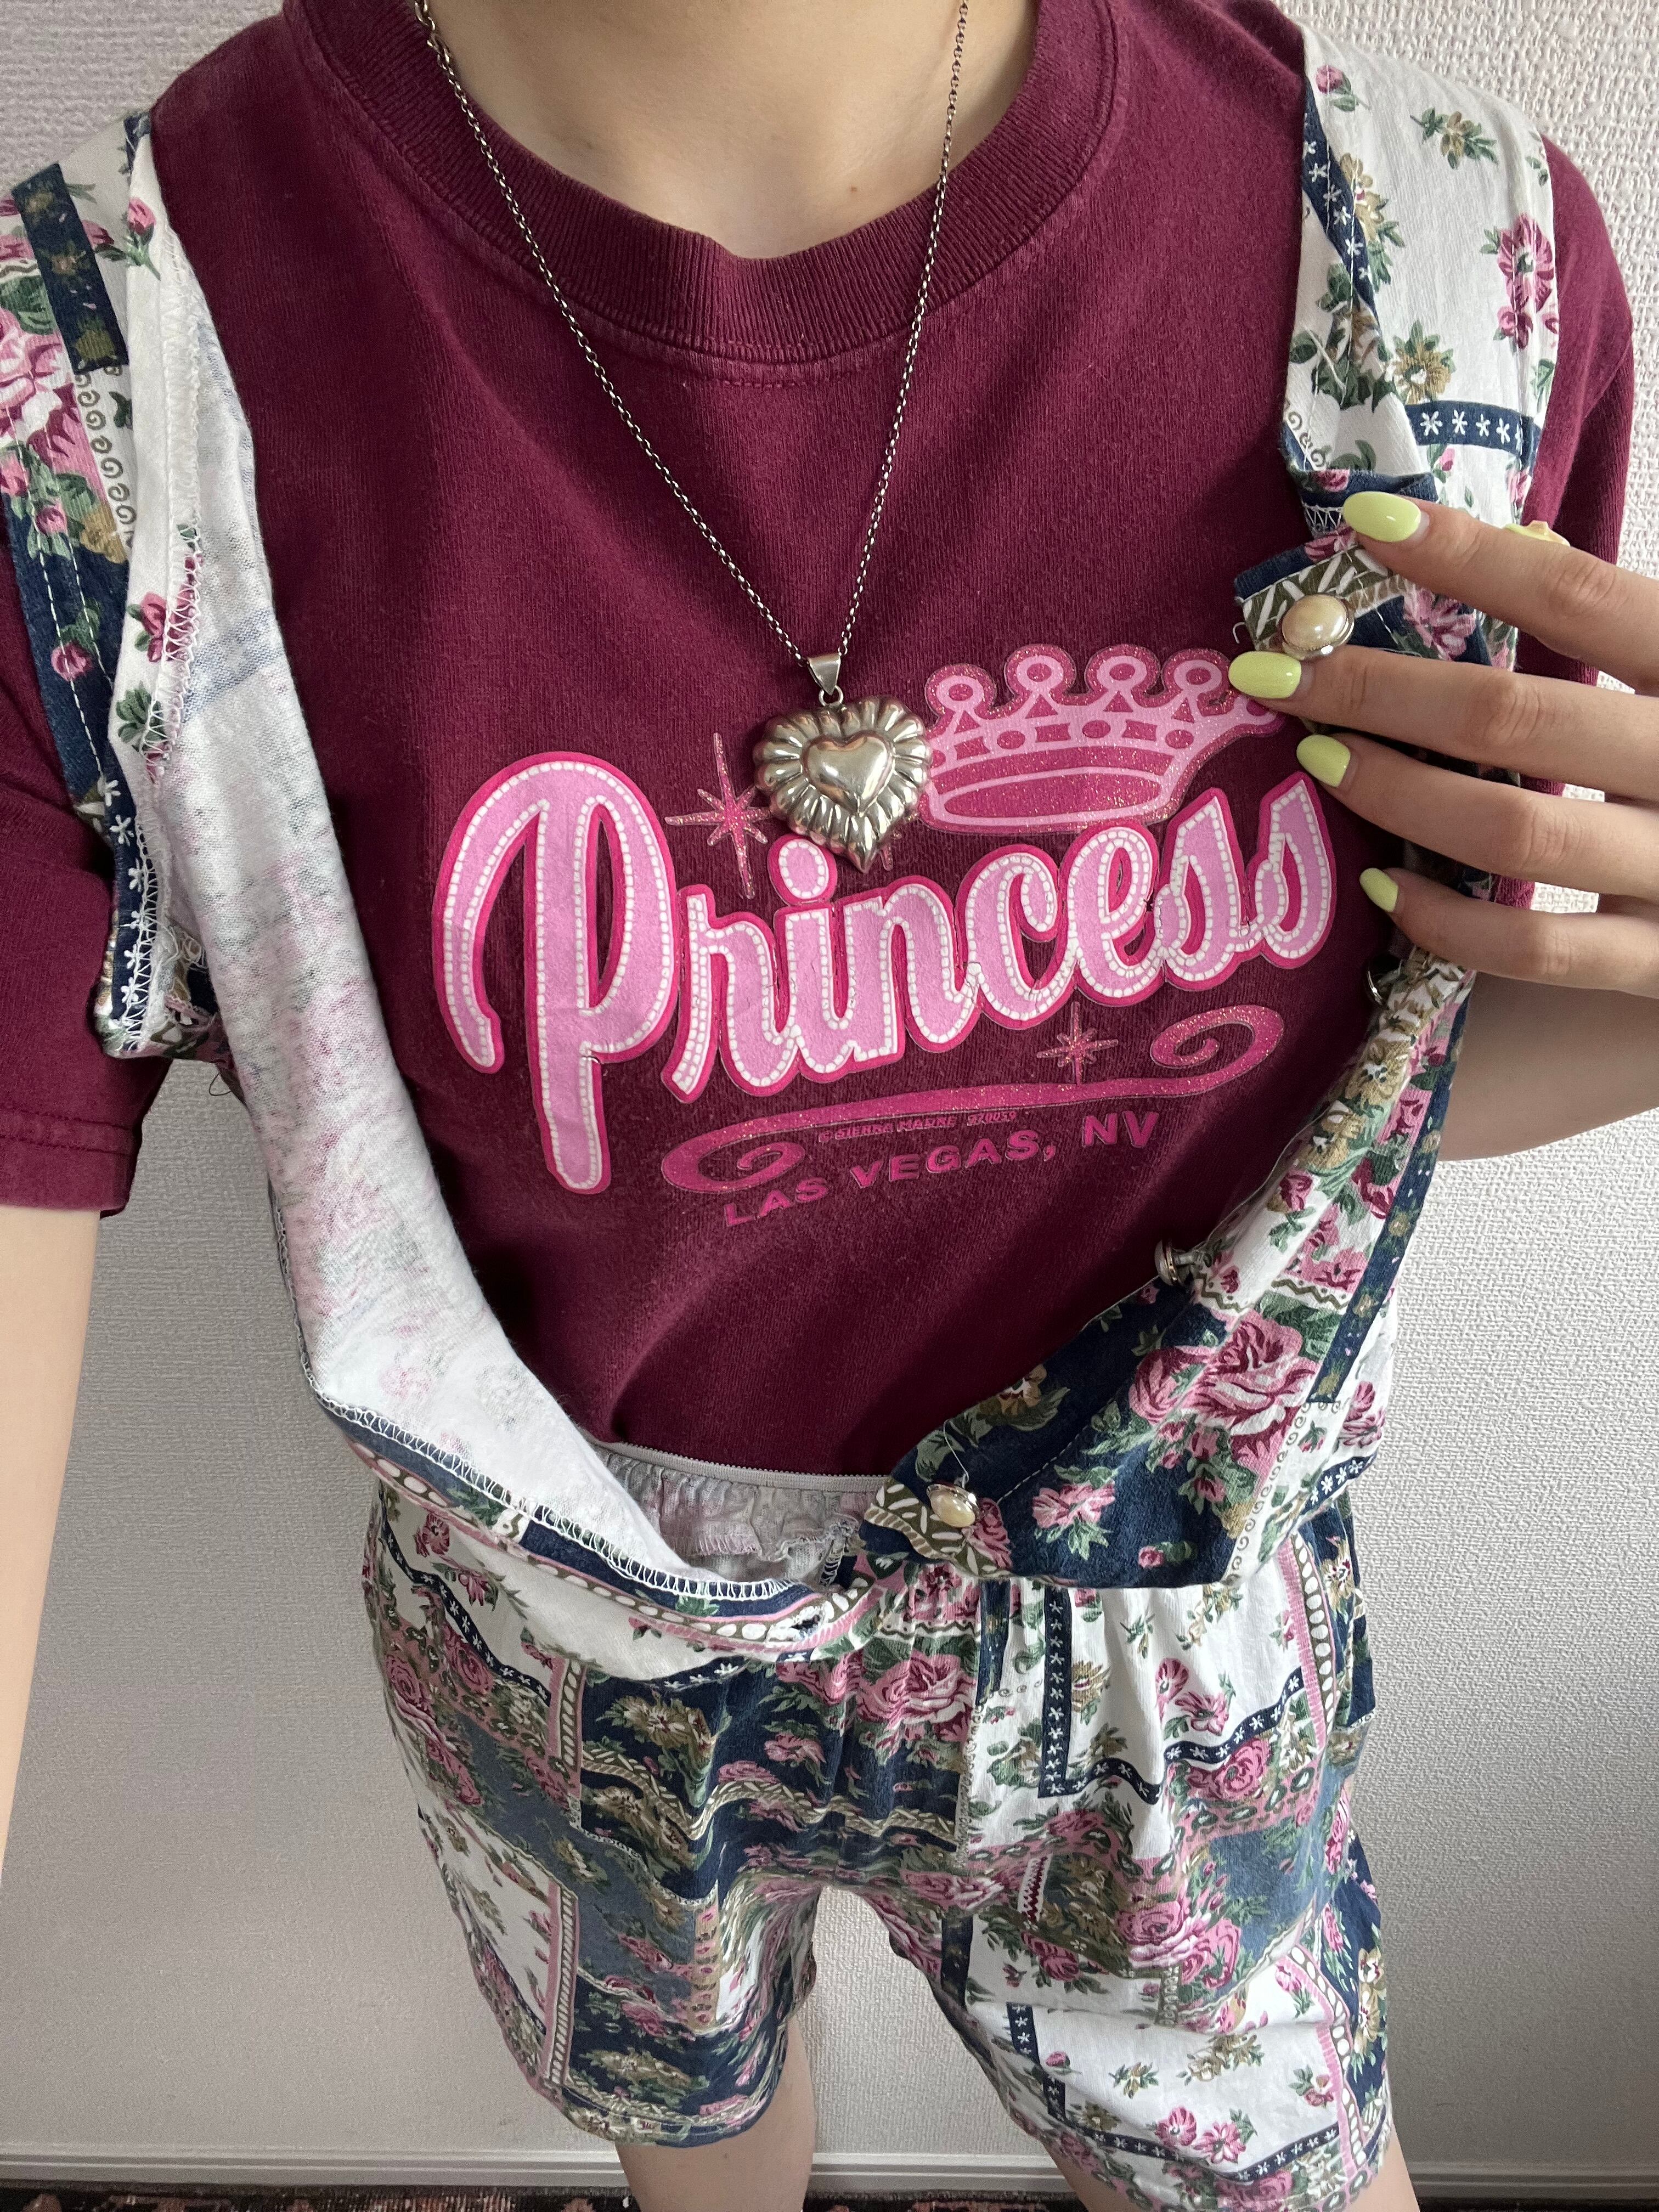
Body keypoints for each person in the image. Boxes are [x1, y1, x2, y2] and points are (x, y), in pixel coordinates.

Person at [1, 1, 1652, 2207]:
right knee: (691, 2140)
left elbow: (1365, 1090)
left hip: (1166, 1645)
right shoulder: (107, 394)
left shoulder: (1449, 282)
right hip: (577, 1646)